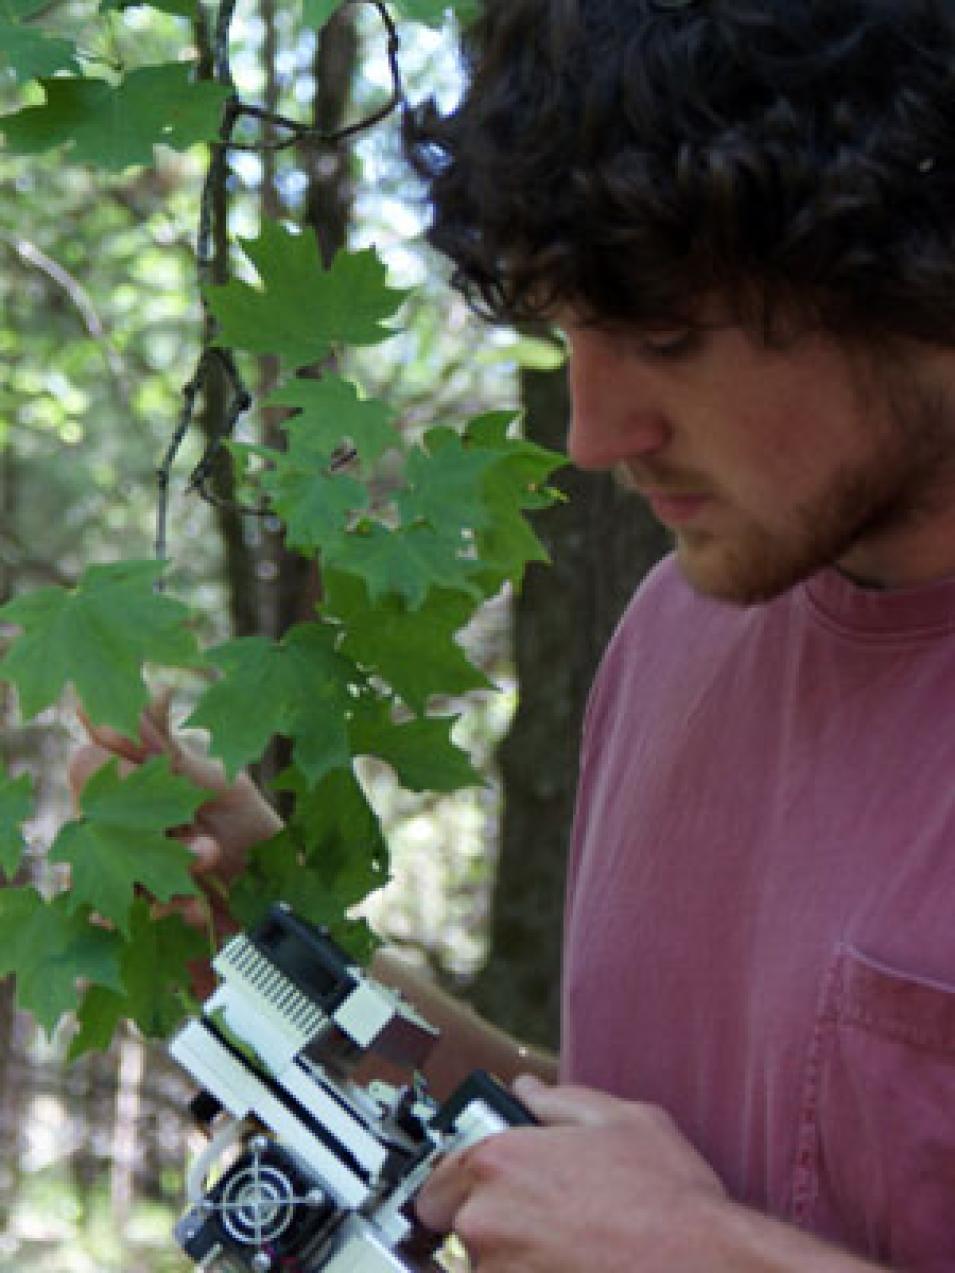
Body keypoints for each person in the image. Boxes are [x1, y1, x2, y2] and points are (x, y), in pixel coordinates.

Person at [73, 1, 955, 1268]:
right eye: (562, 331)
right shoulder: (676, 635)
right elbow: (587, 1154)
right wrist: (266, 944)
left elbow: (670, 1230)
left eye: (664, 336)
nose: (593, 436)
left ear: (911, 263)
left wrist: (699, 1256)